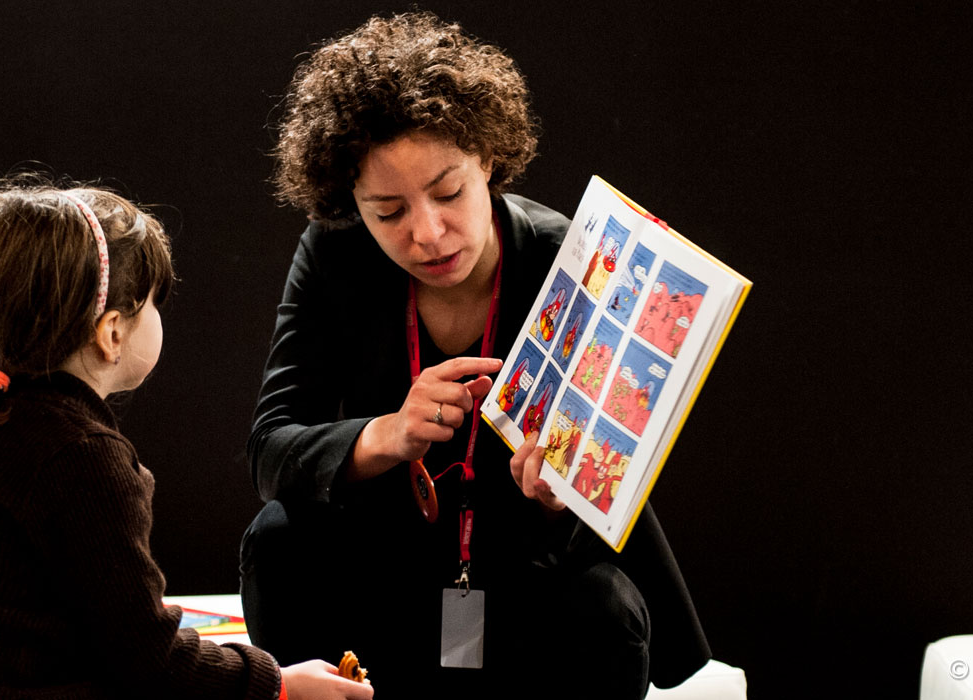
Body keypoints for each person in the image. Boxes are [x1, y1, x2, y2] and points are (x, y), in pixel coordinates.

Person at [243, 13, 712, 696]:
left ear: (487, 161)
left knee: (604, 607)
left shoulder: (574, 263)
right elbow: (271, 451)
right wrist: (385, 435)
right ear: (352, 203)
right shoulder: (334, 252)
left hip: (524, 574)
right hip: (389, 572)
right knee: (278, 541)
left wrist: (561, 500)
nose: (427, 234)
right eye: (388, 210)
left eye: (447, 193)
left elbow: (601, 517)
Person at [0, 181, 373, 699]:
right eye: (152, 303)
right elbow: (153, 663)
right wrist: (275, 682)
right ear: (112, 331)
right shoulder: (77, 455)